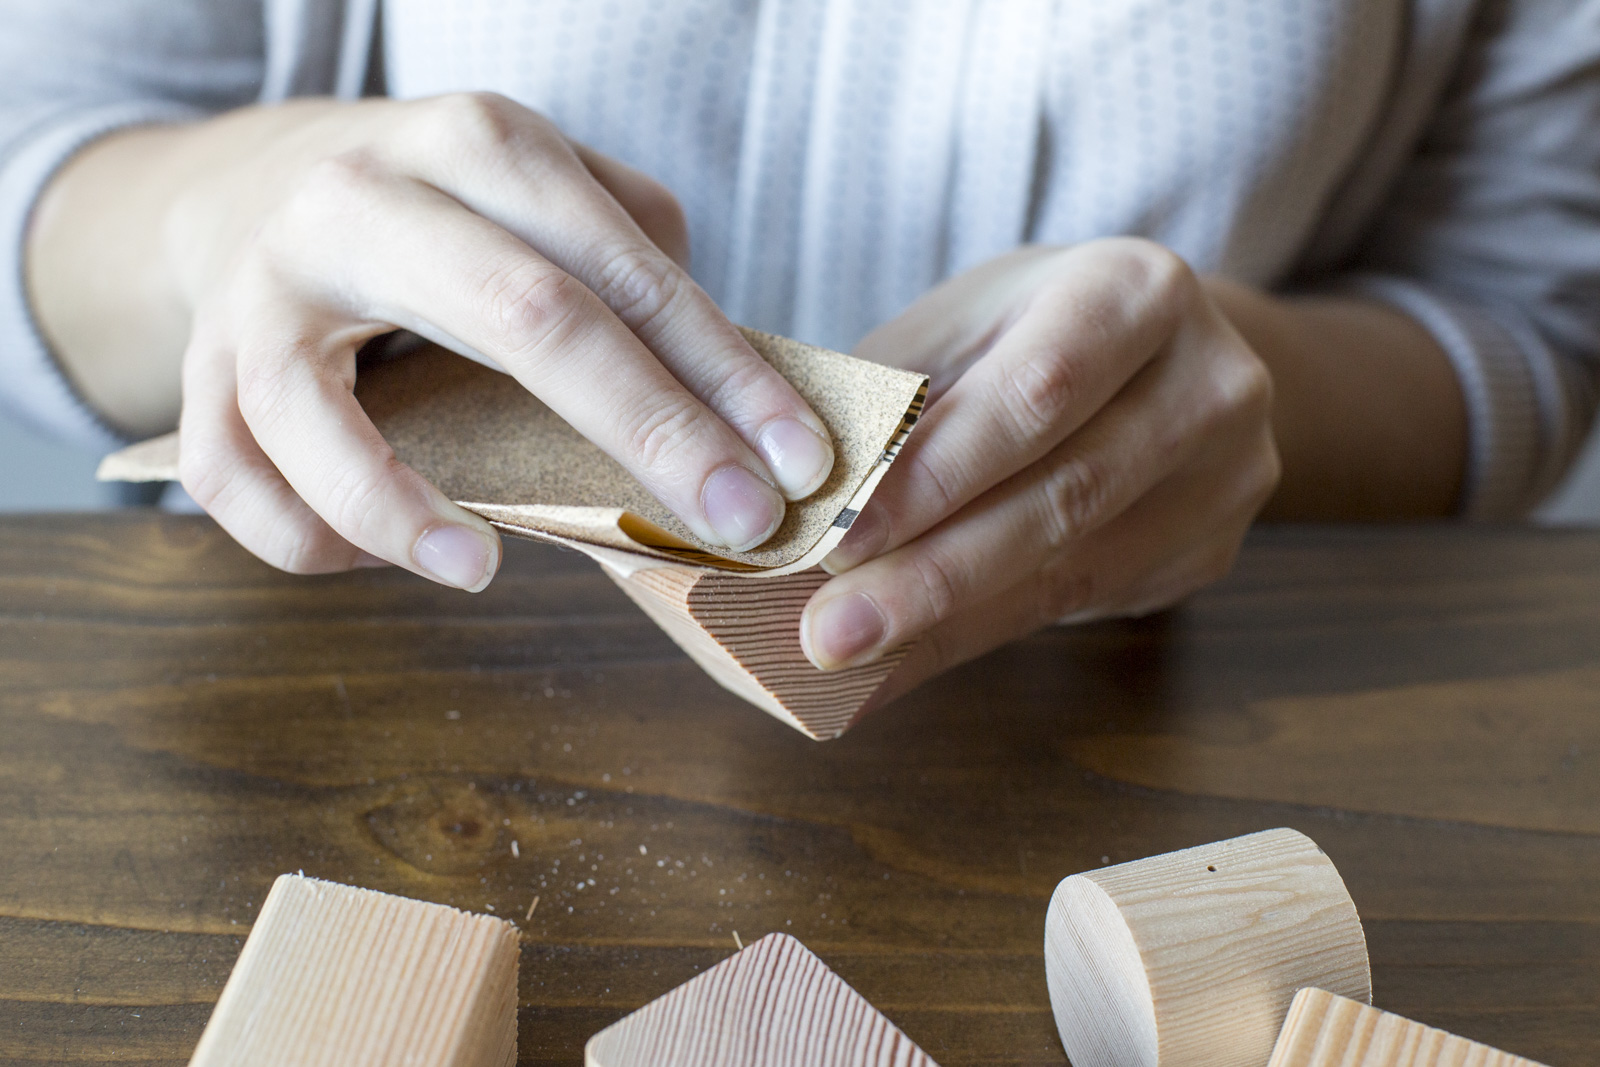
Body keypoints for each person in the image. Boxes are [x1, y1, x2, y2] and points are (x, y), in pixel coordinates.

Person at [5, 0, 1600, 703]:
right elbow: (37, 148)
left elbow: (1529, 330)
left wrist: (1232, 386)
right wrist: (227, 212)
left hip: (1138, 722)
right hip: (355, 681)